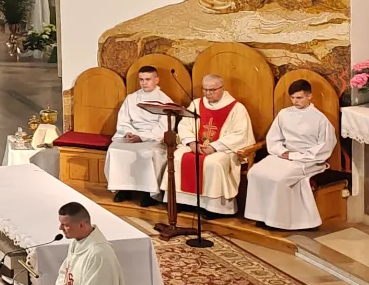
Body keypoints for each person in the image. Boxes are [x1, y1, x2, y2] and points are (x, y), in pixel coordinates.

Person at [244, 79, 337, 230]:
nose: (295, 101)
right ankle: (261, 216)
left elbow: (325, 146)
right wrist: (282, 152)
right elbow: (273, 138)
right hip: (283, 155)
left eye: (299, 98)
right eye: (292, 98)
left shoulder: (320, 119)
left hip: (307, 160)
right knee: (255, 172)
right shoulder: (284, 114)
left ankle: (278, 221)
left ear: (309, 96)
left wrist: (295, 156)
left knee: (279, 178)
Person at [160, 74, 254, 216]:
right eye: (205, 89)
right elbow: (185, 124)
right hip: (196, 145)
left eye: (212, 90)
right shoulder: (196, 104)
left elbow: (240, 134)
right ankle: (182, 202)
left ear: (222, 88)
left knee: (213, 163)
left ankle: (214, 208)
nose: (208, 93)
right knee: (177, 157)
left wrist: (214, 147)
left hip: (223, 149)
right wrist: (192, 142)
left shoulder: (236, 108)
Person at [105, 66, 173, 204]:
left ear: (156, 80)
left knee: (148, 153)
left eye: (148, 79)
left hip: (152, 138)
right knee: (115, 149)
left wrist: (141, 137)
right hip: (132, 134)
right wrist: (128, 133)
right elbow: (123, 120)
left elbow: (164, 127)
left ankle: (150, 193)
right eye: (141, 79)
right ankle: (123, 189)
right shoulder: (131, 98)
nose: (144, 83)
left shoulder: (165, 101)